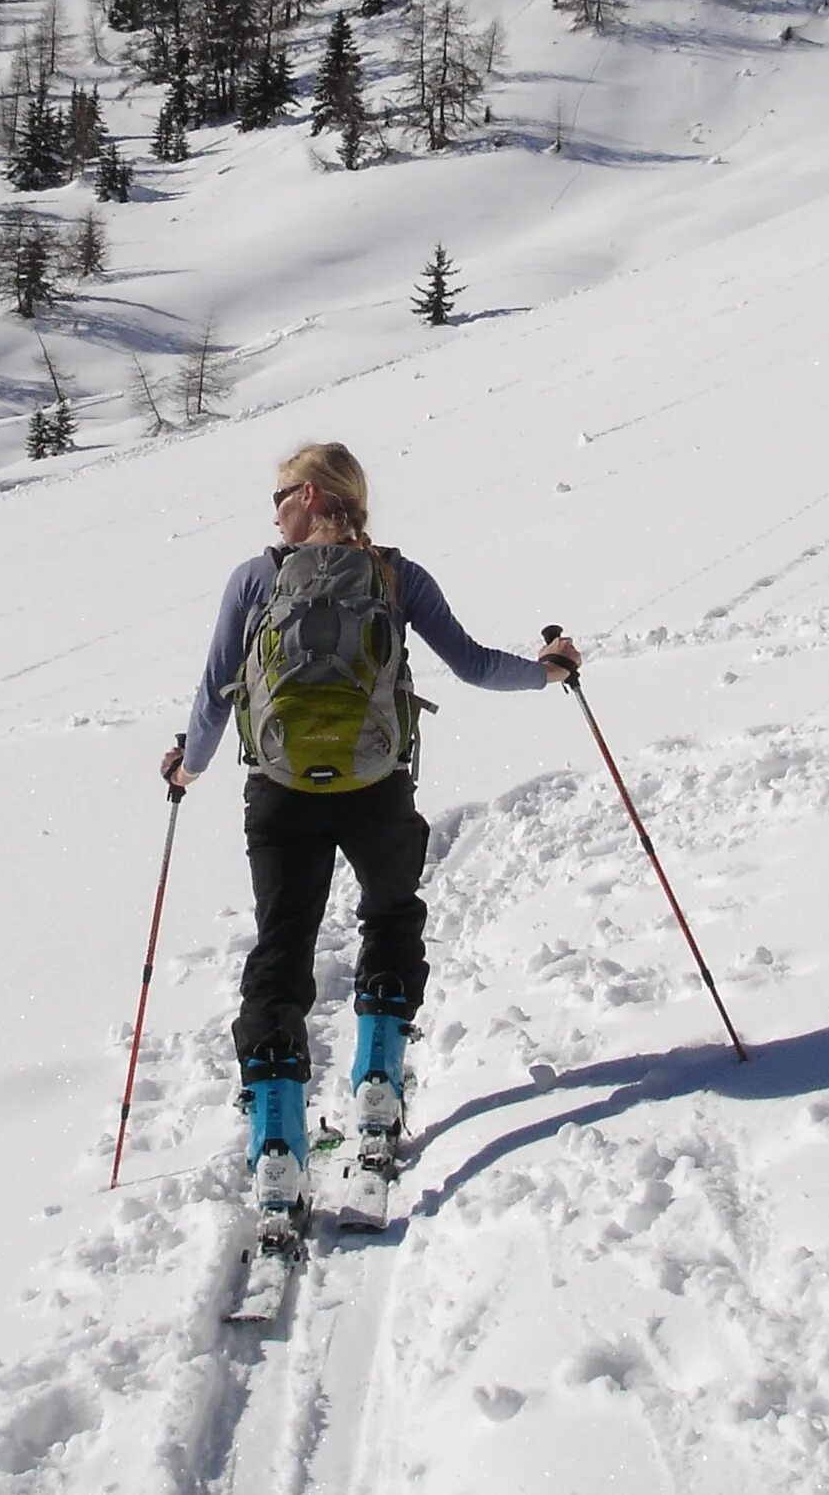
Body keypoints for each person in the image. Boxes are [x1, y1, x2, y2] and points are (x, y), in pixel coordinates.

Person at [163, 441, 577, 1207]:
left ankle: (278, 1142)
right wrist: (548, 669)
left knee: (283, 943)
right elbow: (475, 665)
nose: (277, 508)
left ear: (315, 495)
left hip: (281, 793)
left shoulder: (256, 577)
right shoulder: (397, 575)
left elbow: (217, 691)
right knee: (390, 916)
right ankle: (379, 1082)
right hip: (377, 784)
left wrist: (188, 766)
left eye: (283, 493)